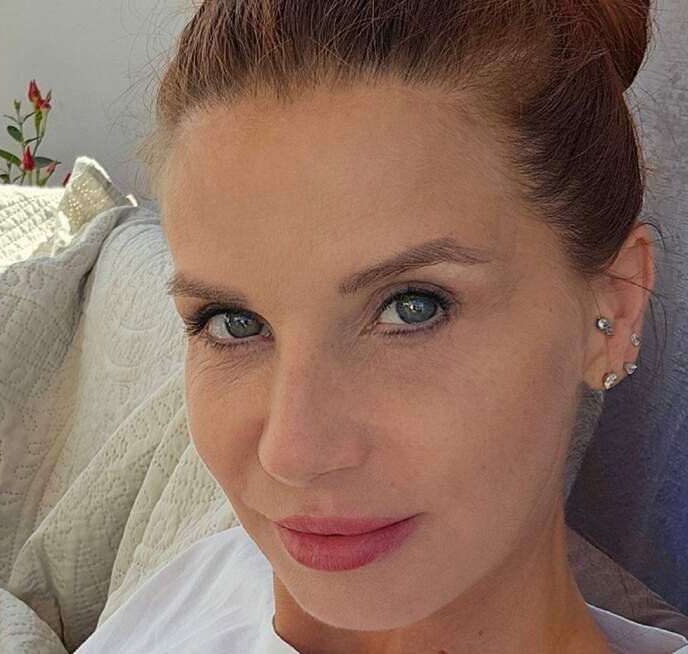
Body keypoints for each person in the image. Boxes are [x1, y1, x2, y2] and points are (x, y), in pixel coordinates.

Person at [77, 0, 688, 652]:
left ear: (615, 309)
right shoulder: (195, 589)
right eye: (232, 322)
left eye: (412, 307)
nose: (293, 454)